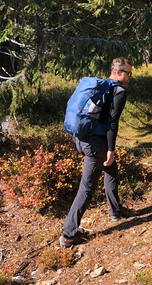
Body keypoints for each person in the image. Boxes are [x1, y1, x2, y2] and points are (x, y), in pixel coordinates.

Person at [60, 57, 134, 247]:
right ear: (118, 72)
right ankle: (69, 234)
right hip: (96, 145)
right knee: (87, 187)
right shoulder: (119, 91)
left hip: (81, 139)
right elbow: (112, 122)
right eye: (128, 73)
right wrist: (110, 149)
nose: (130, 77)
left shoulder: (102, 87)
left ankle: (116, 210)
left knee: (111, 170)